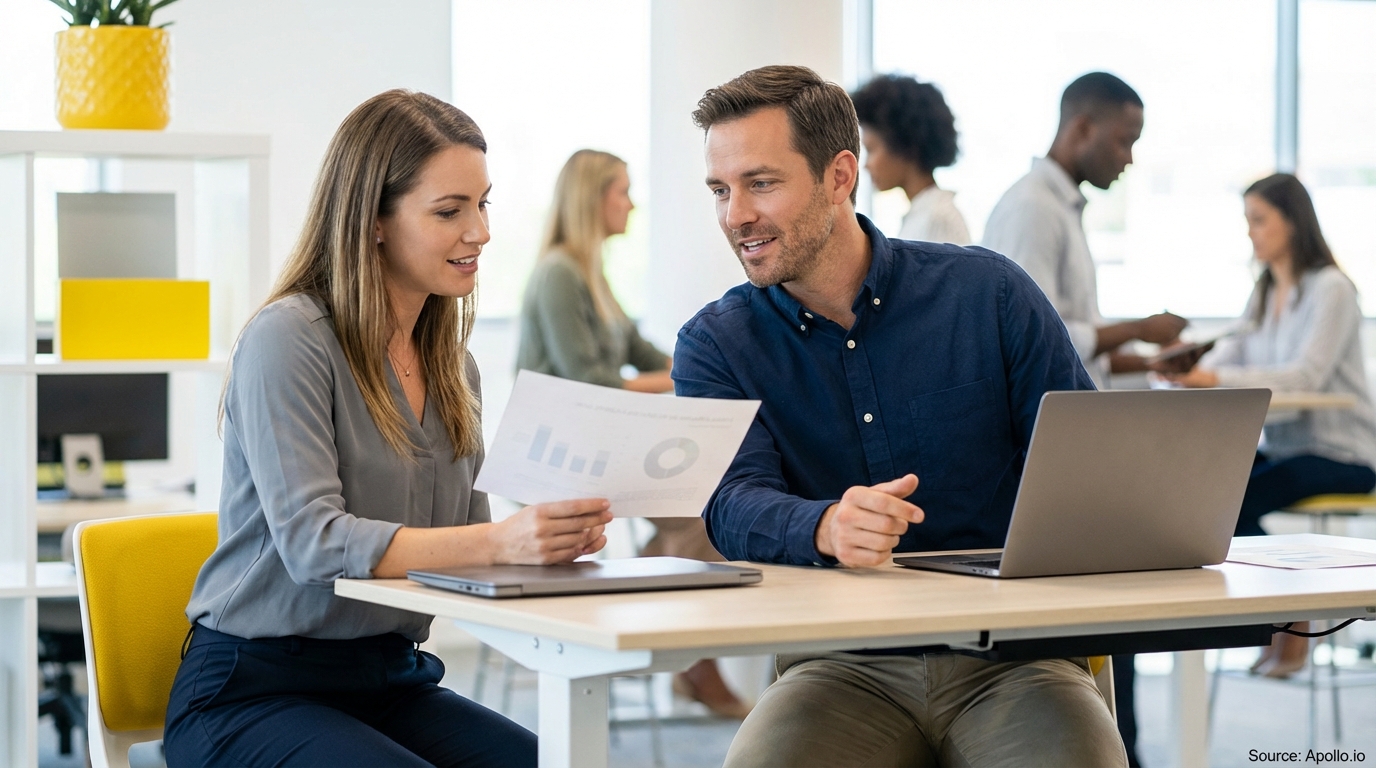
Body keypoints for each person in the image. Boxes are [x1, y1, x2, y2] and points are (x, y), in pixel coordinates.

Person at [675, 64, 1125, 767]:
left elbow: (1091, 464)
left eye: (760, 183)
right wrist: (825, 524)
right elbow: (730, 504)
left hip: (1014, 659)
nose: (736, 215)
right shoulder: (715, 344)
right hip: (840, 665)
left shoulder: (988, 295)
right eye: (720, 190)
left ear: (839, 176)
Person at [163, 90, 612, 767]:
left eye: (483, 204)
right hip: (253, 691)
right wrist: (500, 541)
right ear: (373, 220)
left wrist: (546, 544)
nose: (481, 232)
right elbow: (314, 544)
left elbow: (470, 548)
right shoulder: (289, 339)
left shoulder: (454, 367)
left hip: (390, 680)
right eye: (449, 211)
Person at [515, 149, 750, 718]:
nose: (632, 203)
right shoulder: (559, 274)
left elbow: (648, 354)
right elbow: (590, 383)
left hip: (595, 448)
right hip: (558, 459)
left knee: (703, 502)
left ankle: (679, 646)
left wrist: (711, 365)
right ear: (593, 199)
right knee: (698, 511)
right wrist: (682, 378)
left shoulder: (591, 276)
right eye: (622, 191)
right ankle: (693, 660)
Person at [1167, 172, 1376, 678]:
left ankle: (1291, 614)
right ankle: (1285, 610)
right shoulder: (1263, 293)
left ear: (1292, 222)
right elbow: (1233, 353)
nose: (1251, 232)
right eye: (1248, 221)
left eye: (1259, 220)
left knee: (1230, 502)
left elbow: (1306, 376)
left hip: (1344, 455)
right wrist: (1189, 364)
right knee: (1206, 495)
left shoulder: (1333, 289)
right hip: (1287, 449)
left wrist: (1214, 377)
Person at [983, 72, 1189, 389]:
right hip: (1049, 414)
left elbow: (1078, 350)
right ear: (1083, 129)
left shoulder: (1060, 205)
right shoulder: (1033, 207)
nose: (1129, 159)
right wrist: (1137, 329)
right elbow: (1030, 336)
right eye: (1124, 142)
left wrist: (1152, 363)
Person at [850, 74, 970, 244]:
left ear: (903, 146)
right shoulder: (922, 214)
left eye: (871, 150)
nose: (866, 165)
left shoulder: (937, 218)